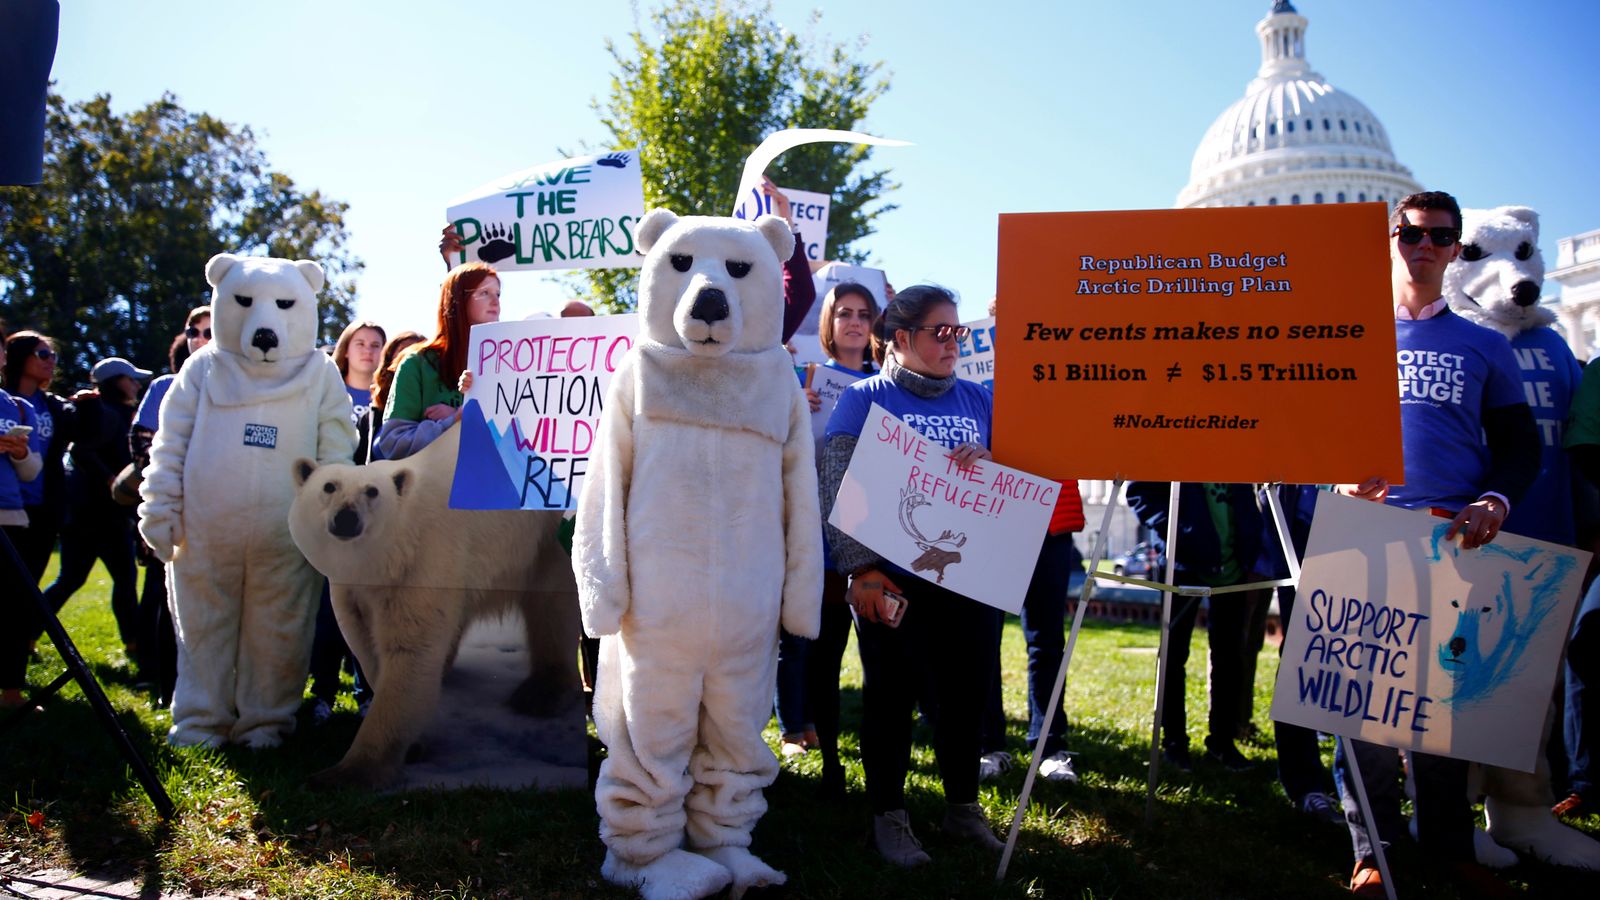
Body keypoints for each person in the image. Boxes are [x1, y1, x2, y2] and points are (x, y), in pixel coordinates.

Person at [1336, 190, 1539, 899]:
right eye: (1410, 233)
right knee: (1360, 705)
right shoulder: (1346, 337)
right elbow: (1308, 435)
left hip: (1453, 535)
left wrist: (1494, 500)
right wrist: (1337, 481)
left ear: (1455, 250)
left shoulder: (1485, 345)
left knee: (1446, 706)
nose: (1423, 246)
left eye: (1439, 236)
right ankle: (1373, 850)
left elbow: (1520, 448)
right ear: (1390, 240)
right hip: (1365, 534)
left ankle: (1450, 845)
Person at [819, 284, 1004, 867]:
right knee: (891, 699)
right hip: (894, 582)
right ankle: (889, 817)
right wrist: (861, 570)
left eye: (958, 332)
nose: (954, 343)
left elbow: (1014, 481)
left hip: (969, 582)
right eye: (940, 332)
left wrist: (993, 465)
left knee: (966, 697)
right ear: (901, 338)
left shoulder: (979, 400)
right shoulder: (863, 400)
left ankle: (962, 809)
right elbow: (837, 486)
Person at [778, 282, 882, 792]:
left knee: (881, 659)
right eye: (844, 313)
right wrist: (793, 409)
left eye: (864, 314)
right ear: (829, 322)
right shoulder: (803, 379)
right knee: (820, 649)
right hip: (818, 537)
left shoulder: (888, 385)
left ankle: (881, 760)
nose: (854, 322)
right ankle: (825, 756)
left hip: (876, 536)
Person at [1124, 481, 1263, 773]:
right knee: (1173, 656)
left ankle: (1223, 741)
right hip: (1182, 564)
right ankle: (1174, 743)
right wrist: (1178, 531)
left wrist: (1251, 539)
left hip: (1234, 565)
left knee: (1230, 658)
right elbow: (1139, 492)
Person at [41, 357, 151, 662]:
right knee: (117, 579)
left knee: (75, 579)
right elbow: (80, 450)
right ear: (115, 382)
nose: (136, 385)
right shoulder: (108, 414)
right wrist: (111, 479)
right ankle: (135, 644)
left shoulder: (116, 412)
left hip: (94, 515)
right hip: (97, 515)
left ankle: (26, 634)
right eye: (130, 379)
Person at [129, 315, 207, 701]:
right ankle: (160, 681)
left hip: (219, 516)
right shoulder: (164, 386)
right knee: (162, 596)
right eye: (193, 332)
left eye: (209, 331)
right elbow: (142, 443)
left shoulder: (245, 390)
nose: (200, 339)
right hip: (173, 507)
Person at [377, 264, 498, 460]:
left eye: (498, 294)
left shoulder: (507, 365)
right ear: (458, 299)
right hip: (434, 480)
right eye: (484, 293)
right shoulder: (416, 363)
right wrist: (453, 421)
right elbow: (393, 443)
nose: (495, 301)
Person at [1, 330, 72, 584]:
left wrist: (92, 405)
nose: (50, 360)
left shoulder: (50, 405)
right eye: (43, 354)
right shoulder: (7, 400)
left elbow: (89, 436)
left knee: (29, 590)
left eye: (53, 355)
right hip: (10, 502)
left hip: (42, 507)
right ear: (18, 357)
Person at [1, 324, 44, 710]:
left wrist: (19, 453)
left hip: (13, 518)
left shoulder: (17, 407)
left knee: (14, 609)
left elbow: (32, 472)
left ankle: (11, 692)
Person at [331, 319, 386, 465]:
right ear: (346, 350)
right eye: (360, 344)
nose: (368, 351)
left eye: (375, 345)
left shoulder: (389, 399)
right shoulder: (327, 392)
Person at [365, 330, 425, 463]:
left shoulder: (435, 412)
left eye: (419, 352)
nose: (410, 358)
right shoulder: (370, 416)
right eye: (403, 352)